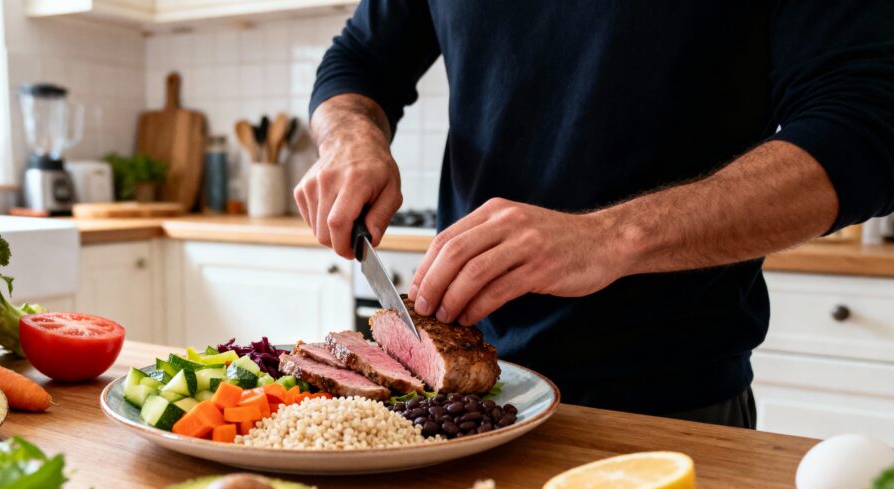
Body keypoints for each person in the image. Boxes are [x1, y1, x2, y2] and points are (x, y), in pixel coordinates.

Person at [294, 1, 894, 428]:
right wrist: (349, 138)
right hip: (467, 403)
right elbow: (360, 60)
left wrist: (612, 236)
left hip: (666, 409)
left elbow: (870, 127)